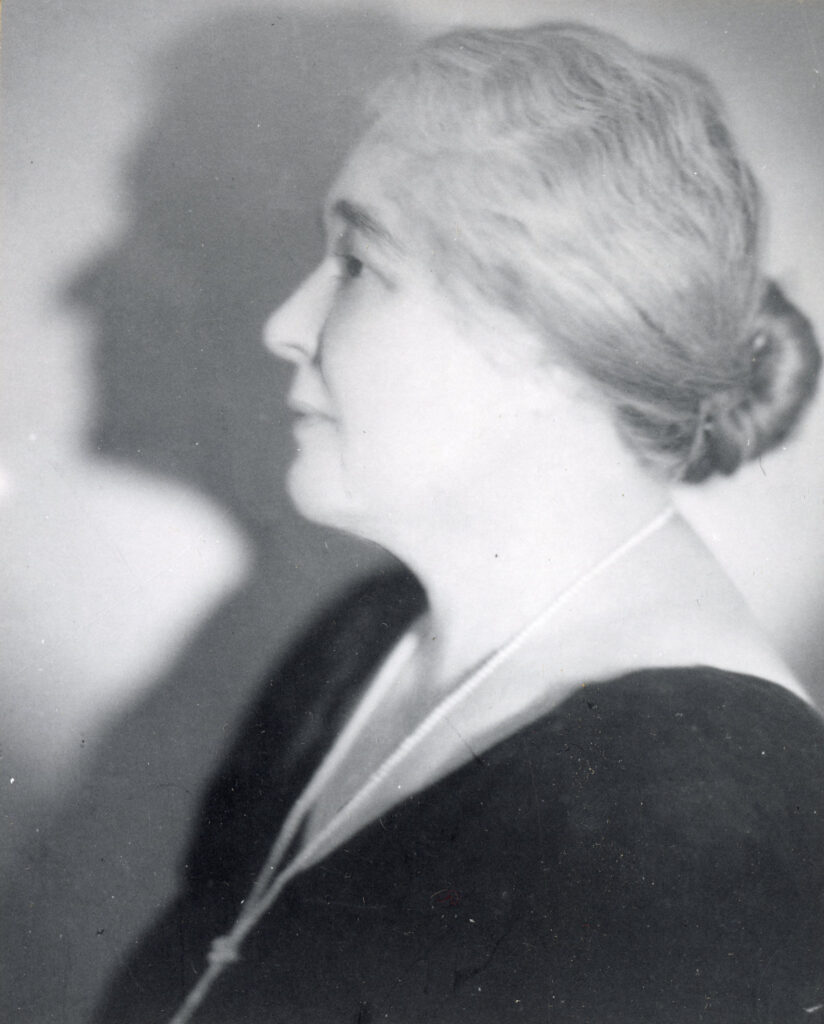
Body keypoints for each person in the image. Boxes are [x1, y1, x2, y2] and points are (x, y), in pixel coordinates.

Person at [93, 22, 824, 1024]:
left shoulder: (697, 817)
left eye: (357, 262)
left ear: (547, 340)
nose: (284, 323)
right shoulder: (363, 637)